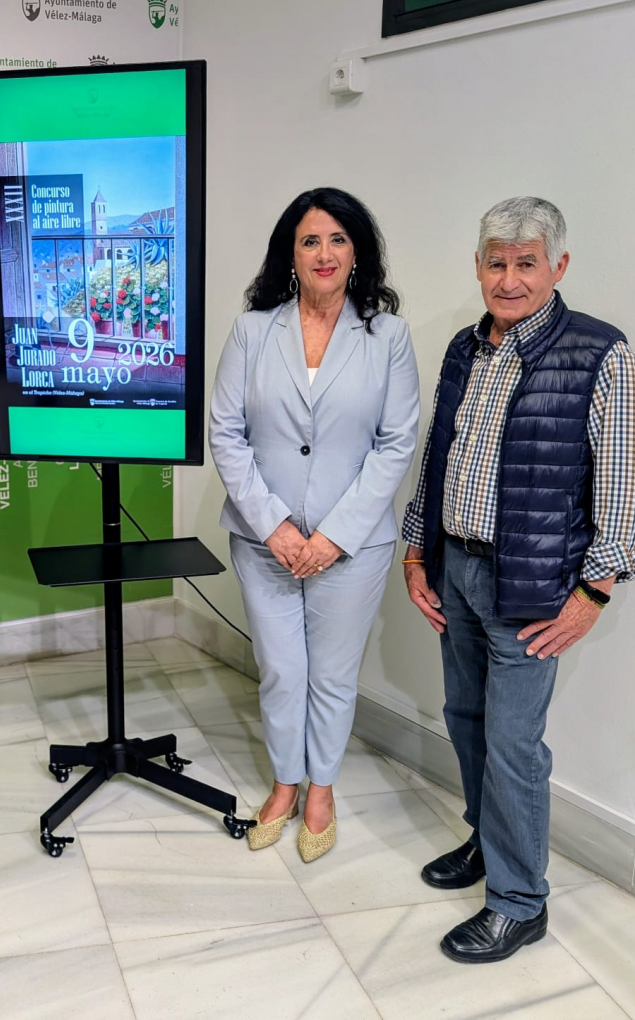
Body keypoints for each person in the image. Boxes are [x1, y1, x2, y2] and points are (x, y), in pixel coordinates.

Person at [401, 196, 635, 963]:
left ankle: (518, 902)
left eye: (526, 263)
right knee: (465, 718)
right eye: (496, 262)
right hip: (456, 568)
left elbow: (628, 492)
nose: (509, 279)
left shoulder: (600, 354)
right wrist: (416, 550)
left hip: (534, 585)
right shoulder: (464, 348)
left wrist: (594, 591)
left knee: (513, 743)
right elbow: (438, 454)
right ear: (478, 266)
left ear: (558, 266)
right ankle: (488, 842)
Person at [210, 188, 420, 861]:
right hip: (263, 541)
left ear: (357, 251)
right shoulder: (252, 330)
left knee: (330, 674)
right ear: (290, 254)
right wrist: (273, 526)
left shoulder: (387, 337)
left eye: (337, 239)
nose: (324, 253)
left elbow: (396, 442)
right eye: (309, 240)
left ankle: (321, 790)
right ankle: (284, 783)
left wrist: (332, 536)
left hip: (351, 546)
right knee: (280, 669)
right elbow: (226, 433)